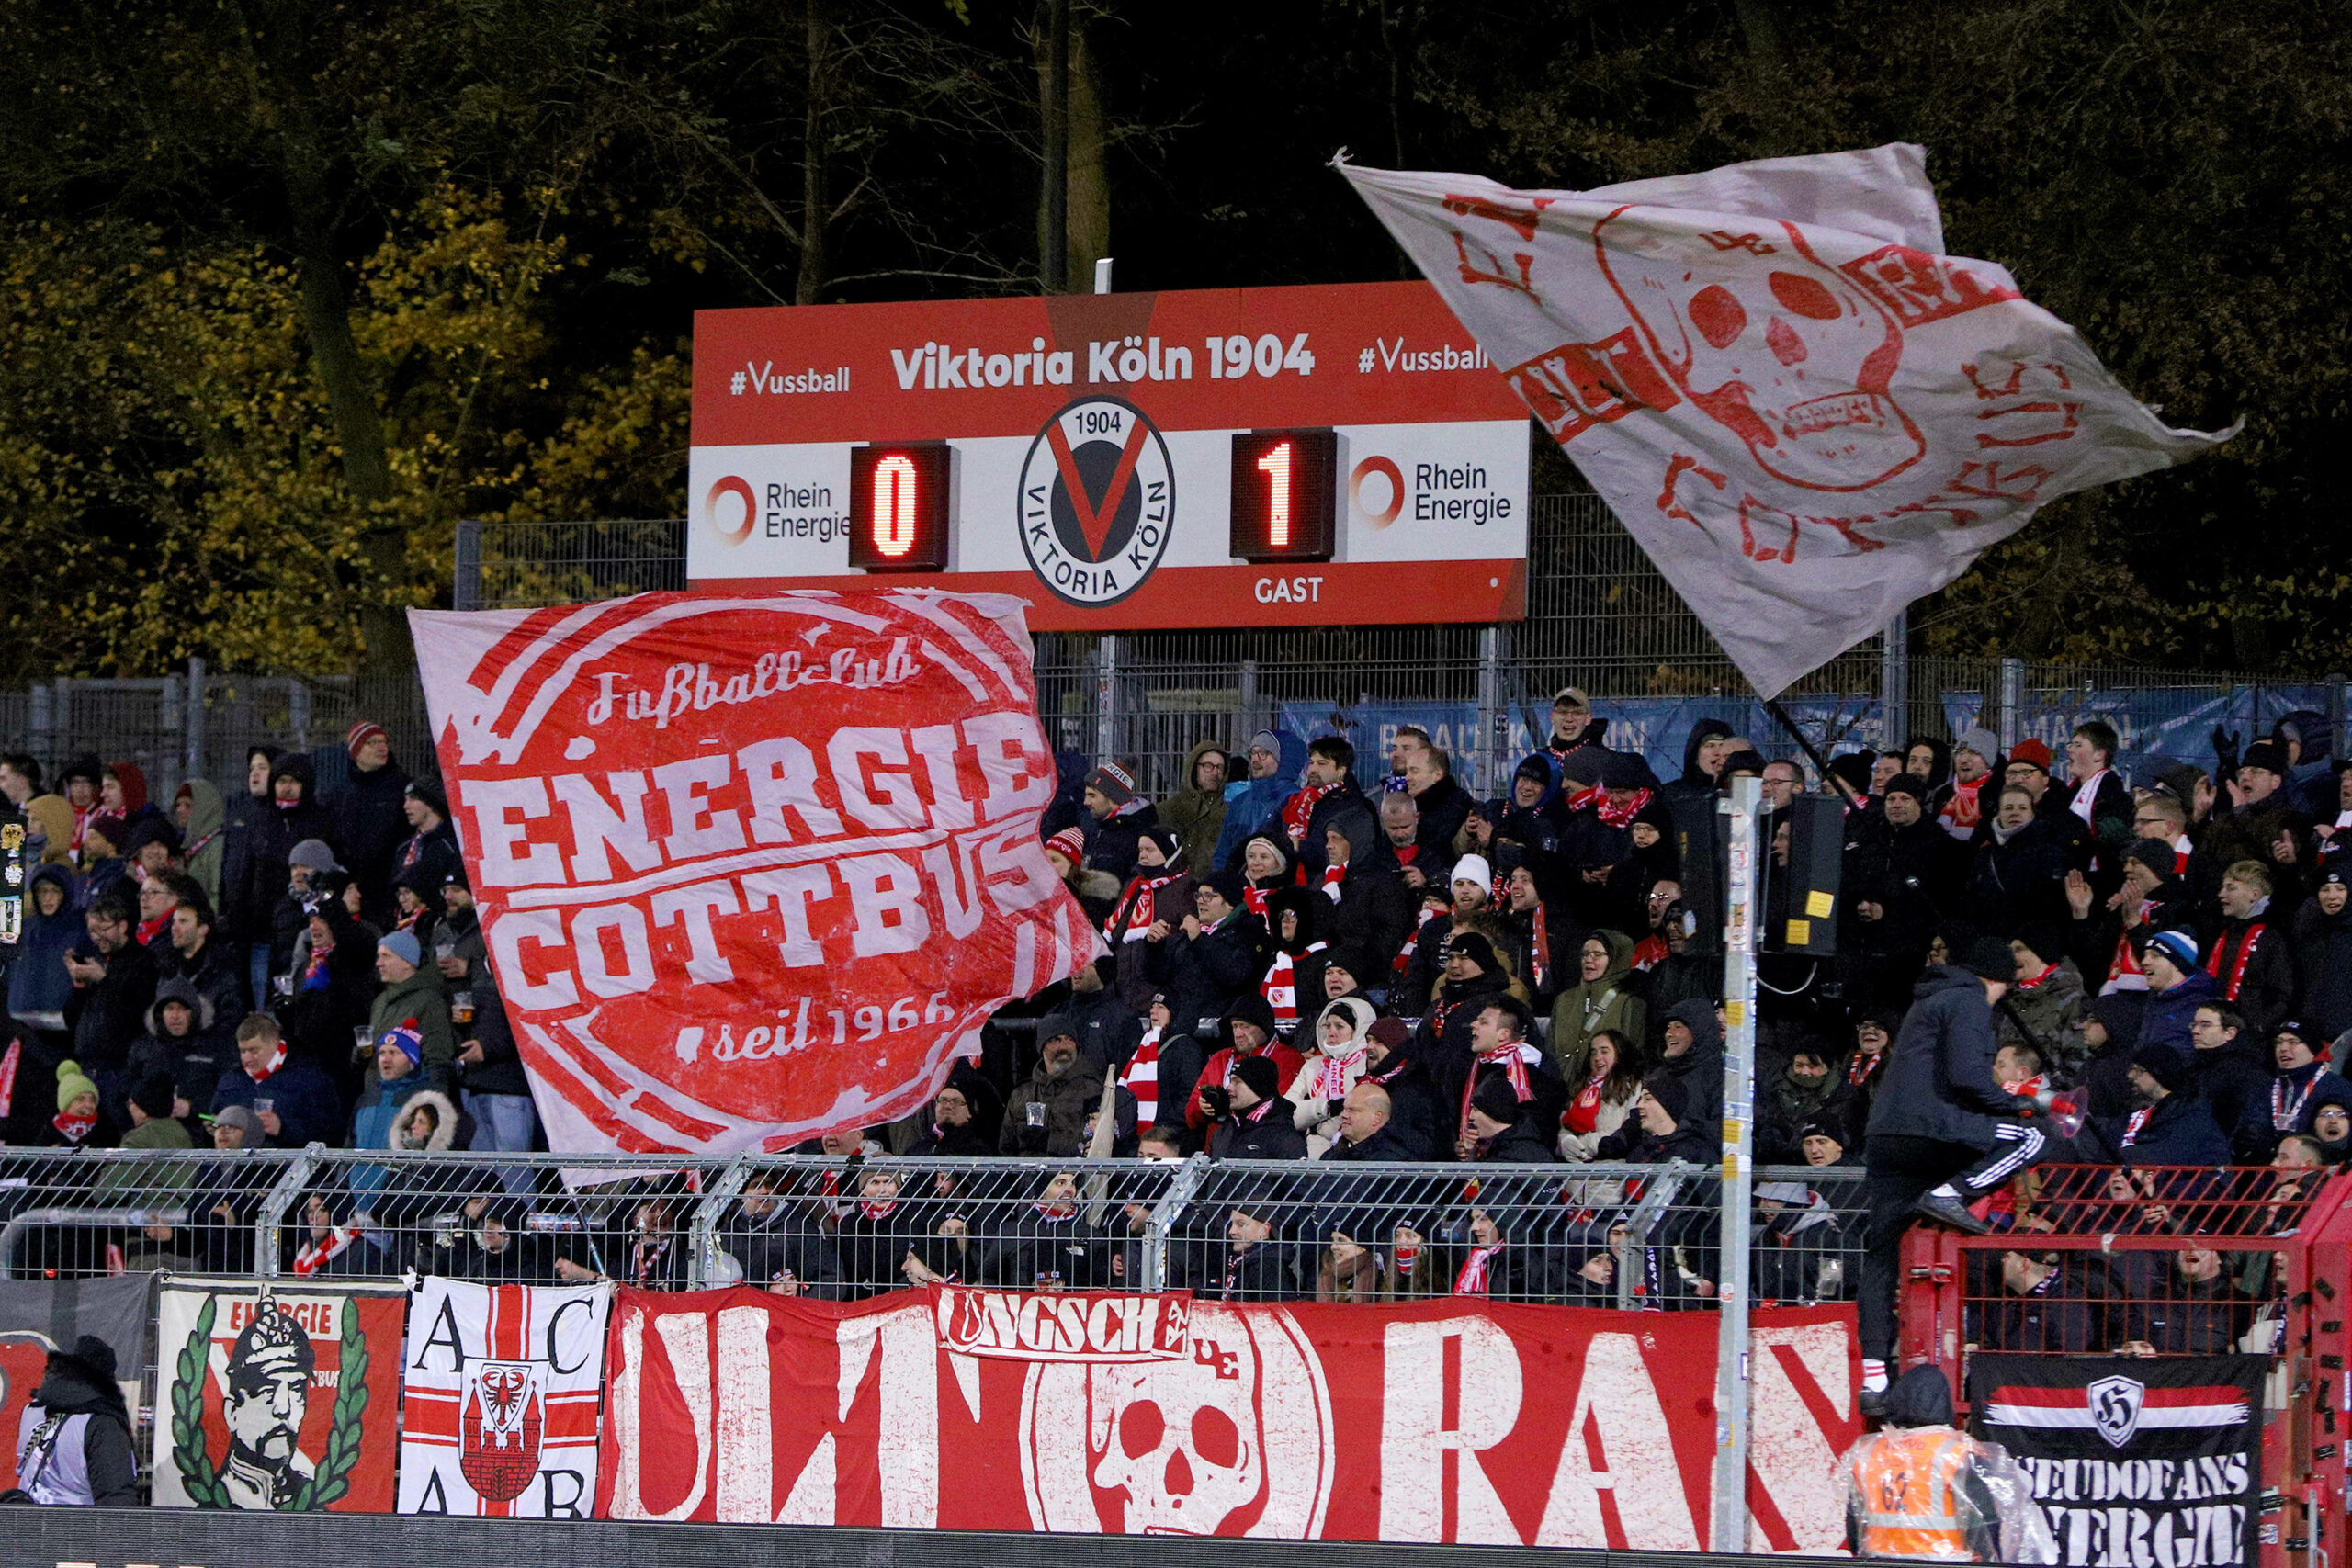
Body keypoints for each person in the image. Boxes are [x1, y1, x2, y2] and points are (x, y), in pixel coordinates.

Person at [1859, 939, 2047, 1415]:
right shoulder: (1968, 1000)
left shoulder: (1927, 1001)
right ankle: (1949, 1193)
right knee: (2031, 1139)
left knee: (1882, 1255)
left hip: (1886, 1135)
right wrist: (2020, 1103)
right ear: (1995, 979)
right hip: (1936, 1131)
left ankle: (1875, 1380)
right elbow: (1967, 1077)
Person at [1843, 1365, 2056, 1563]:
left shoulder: (1868, 1452)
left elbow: (1854, 1527)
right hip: (1942, 1562)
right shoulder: (1954, 1452)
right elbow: (1983, 1524)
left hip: (1879, 1561)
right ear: (1943, 1403)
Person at [7, 1335, 138, 1506]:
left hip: (26, 1525)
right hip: (76, 1529)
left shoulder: (33, 1410)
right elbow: (116, 1497)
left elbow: (23, 1466)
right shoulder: (101, 1425)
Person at [211, 1013, 342, 1148]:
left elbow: (331, 1134)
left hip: (292, 1168)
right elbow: (212, 1123)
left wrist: (283, 1128)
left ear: (274, 1043)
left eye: (254, 1051)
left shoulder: (311, 1080)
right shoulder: (230, 1082)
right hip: (238, 1168)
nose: (247, 1058)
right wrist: (213, 1129)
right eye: (243, 1051)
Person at [1159, 741, 1231, 877]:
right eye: (1208, 766)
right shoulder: (1167, 810)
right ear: (1193, 768)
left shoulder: (1229, 811)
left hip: (1211, 891)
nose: (1215, 773)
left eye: (1220, 768)